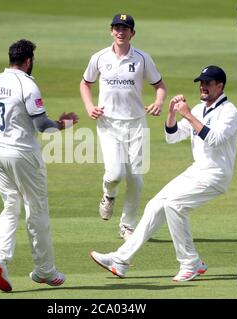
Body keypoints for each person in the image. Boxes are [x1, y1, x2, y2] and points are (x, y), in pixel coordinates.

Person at [90, 65, 237, 281]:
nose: (203, 87)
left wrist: (187, 114)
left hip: (216, 174)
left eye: (208, 83)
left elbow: (215, 140)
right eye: (201, 83)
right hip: (197, 170)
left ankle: (190, 262)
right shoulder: (200, 110)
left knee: (174, 205)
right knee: (155, 205)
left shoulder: (229, 112)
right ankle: (120, 260)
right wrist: (172, 113)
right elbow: (173, 136)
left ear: (220, 86)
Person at [0, 39, 78, 292]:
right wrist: (63, 125)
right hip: (23, 153)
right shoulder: (27, 84)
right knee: (36, 210)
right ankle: (45, 271)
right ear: (28, 61)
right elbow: (40, 125)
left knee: (10, 205)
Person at [80, 13, 167, 240]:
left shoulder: (142, 59)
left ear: (132, 33)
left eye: (125, 28)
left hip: (137, 123)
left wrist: (158, 102)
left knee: (136, 178)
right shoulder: (99, 57)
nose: (121, 32)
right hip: (108, 123)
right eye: (117, 28)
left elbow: (159, 85)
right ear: (111, 31)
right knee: (115, 173)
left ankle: (127, 225)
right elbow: (85, 83)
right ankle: (108, 195)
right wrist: (90, 106)